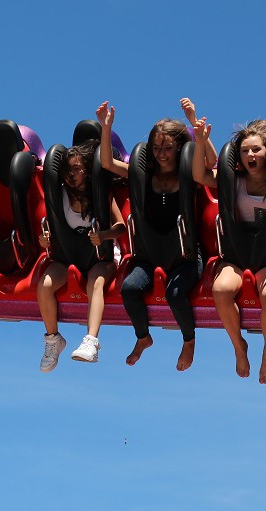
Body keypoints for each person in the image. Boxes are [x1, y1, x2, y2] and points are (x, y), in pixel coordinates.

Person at [189, 101, 266, 384]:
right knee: (220, 290)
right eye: (245, 151)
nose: (250, 155)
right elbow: (200, 175)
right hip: (237, 253)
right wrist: (200, 139)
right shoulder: (234, 179)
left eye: (256, 149)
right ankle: (239, 346)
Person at [95, 99, 199, 371]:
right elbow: (106, 162)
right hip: (150, 254)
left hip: (184, 256)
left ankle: (188, 341)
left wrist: (193, 122)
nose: (161, 153)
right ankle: (143, 338)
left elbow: (212, 167)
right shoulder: (141, 175)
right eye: (155, 148)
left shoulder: (191, 174)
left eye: (167, 147)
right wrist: (106, 128)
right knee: (129, 289)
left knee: (175, 295)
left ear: (179, 147)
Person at [38, 140, 126, 371]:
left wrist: (104, 235)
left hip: (99, 256)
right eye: (68, 169)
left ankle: (91, 341)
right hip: (69, 255)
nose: (71, 174)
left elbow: (121, 226)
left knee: (95, 284)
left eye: (76, 169)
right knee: (45, 285)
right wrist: (45, 240)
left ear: (87, 171)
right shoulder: (59, 195)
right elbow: (50, 228)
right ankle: (53, 339)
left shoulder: (100, 195)